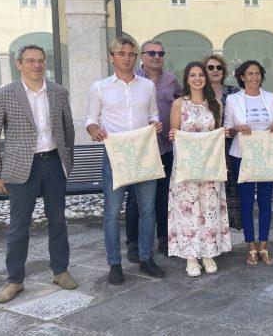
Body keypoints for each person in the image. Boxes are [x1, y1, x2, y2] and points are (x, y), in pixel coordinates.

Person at [0, 45, 77, 303]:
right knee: (18, 226)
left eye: (41, 61)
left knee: (58, 220)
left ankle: (60, 271)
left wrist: (67, 161)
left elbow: (68, 128)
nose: (37, 65)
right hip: (21, 167)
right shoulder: (5, 94)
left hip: (53, 162)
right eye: (31, 61)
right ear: (19, 64)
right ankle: (14, 280)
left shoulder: (58, 92)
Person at [86, 37, 165, 284]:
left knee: (147, 209)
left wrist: (155, 124)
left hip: (144, 152)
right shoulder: (100, 87)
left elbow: (153, 114)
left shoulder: (147, 86)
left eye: (131, 54)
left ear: (136, 57)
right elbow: (91, 119)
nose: (127, 58)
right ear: (112, 57)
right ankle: (114, 263)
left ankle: (146, 257)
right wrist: (94, 130)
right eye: (121, 53)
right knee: (111, 213)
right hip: (115, 154)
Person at [167, 62, 232, 276]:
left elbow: (217, 132)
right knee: (187, 209)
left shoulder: (215, 104)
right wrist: (173, 135)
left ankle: (208, 253)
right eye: (192, 75)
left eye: (201, 75)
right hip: (186, 167)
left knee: (209, 208)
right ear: (187, 79)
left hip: (210, 166)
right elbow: (174, 133)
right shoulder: (179, 104)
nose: (197, 79)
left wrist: (223, 134)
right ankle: (191, 257)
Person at [126, 39, 183, 261]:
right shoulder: (132, 80)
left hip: (165, 147)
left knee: (163, 196)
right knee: (135, 199)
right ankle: (133, 243)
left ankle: (164, 239)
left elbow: (182, 104)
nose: (157, 57)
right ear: (142, 56)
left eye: (160, 53)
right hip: (140, 149)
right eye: (151, 53)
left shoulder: (171, 80)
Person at [224, 60, 273, 265]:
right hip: (242, 156)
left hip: (266, 155)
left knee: (265, 202)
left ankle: (263, 246)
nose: (254, 77)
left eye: (257, 73)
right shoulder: (233, 100)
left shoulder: (270, 97)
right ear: (242, 77)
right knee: (246, 203)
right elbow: (227, 130)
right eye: (250, 74)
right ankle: (250, 247)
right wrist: (237, 128)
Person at [203, 54, 241, 230]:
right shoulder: (199, 92)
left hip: (231, 145)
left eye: (219, 67)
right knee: (211, 186)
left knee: (232, 185)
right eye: (210, 67)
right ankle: (212, 226)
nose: (215, 70)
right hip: (208, 148)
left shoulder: (234, 92)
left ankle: (232, 225)